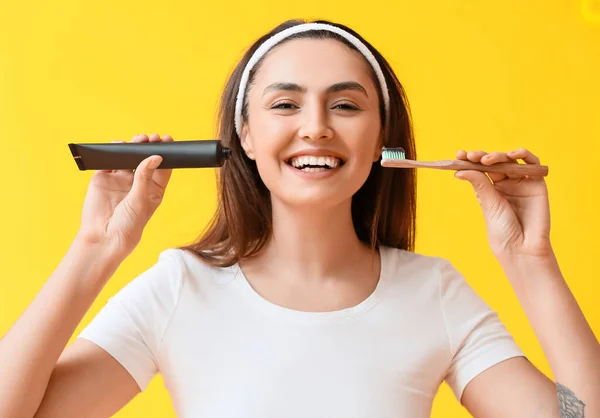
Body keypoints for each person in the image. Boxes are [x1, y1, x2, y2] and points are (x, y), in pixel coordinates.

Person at [0, 19, 598, 418]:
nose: (316, 126)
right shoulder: (180, 288)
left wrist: (531, 262)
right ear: (247, 135)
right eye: (285, 103)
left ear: (381, 140)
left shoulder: (433, 292)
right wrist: (95, 247)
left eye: (345, 105)